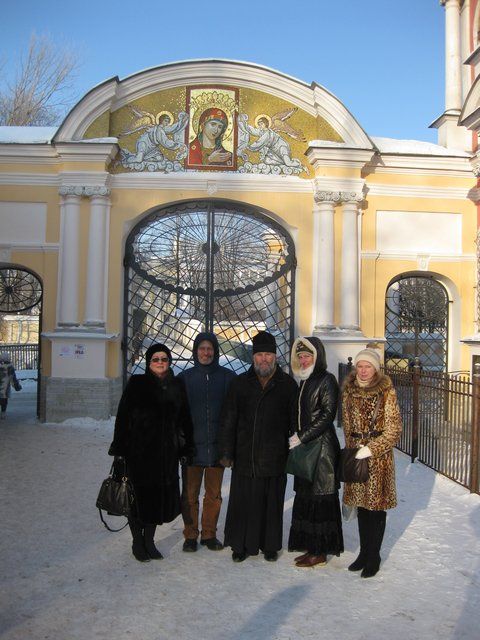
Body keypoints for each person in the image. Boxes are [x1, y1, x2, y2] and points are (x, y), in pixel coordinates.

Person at [108, 343, 194, 562]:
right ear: (148, 362)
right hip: (139, 454)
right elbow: (123, 418)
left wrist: (186, 447)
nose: (160, 363)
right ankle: (138, 541)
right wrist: (119, 450)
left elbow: (185, 419)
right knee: (138, 499)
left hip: (166, 456)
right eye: (155, 359)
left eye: (164, 359)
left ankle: (150, 541)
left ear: (169, 362)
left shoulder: (177, 385)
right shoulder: (137, 384)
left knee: (158, 500)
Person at [219, 331, 297, 562]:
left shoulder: (288, 385)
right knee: (243, 503)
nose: (264, 359)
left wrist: (293, 449)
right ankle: (239, 545)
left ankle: (270, 545)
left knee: (272, 503)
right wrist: (226, 452)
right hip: (245, 455)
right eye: (260, 354)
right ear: (254, 357)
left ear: (275, 357)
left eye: (268, 355)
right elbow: (228, 419)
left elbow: (294, 421)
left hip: (275, 456)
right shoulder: (239, 384)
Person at [342, 348, 402, 578]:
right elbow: (347, 425)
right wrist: (352, 451)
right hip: (355, 457)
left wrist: (371, 448)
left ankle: (373, 556)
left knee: (375, 509)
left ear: (376, 369)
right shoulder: (348, 390)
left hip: (378, 460)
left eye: (368, 366)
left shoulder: (386, 391)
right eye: (360, 366)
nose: (363, 370)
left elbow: (394, 428)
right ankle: (364, 553)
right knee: (361, 507)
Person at [287, 337, 344, 567]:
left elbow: (327, 414)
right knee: (306, 499)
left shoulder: (327, 379)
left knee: (320, 501)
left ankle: (319, 550)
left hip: (322, 452)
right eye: (300, 356)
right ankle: (310, 546)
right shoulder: (303, 381)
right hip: (306, 449)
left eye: (307, 356)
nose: (303, 360)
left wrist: (302, 435)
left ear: (317, 356)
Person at [178, 332, 236, 552]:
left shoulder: (227, 378)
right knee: (190, 495)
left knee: (213, 495)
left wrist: (228, 447)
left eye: (209, 348)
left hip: (217, 448)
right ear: (195, 351)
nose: (205, 352)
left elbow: (233, 412)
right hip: (192, 448)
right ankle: (190, 535)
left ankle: (209, 534)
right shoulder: (185, 378)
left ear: (215, 351)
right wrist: (181, 443)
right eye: (201, 348)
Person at [0, 352, 22, 419]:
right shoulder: (10, 367)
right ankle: (3, 413)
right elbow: (13, 379)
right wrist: (17, 387)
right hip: (4, 388)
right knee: (4, 401)